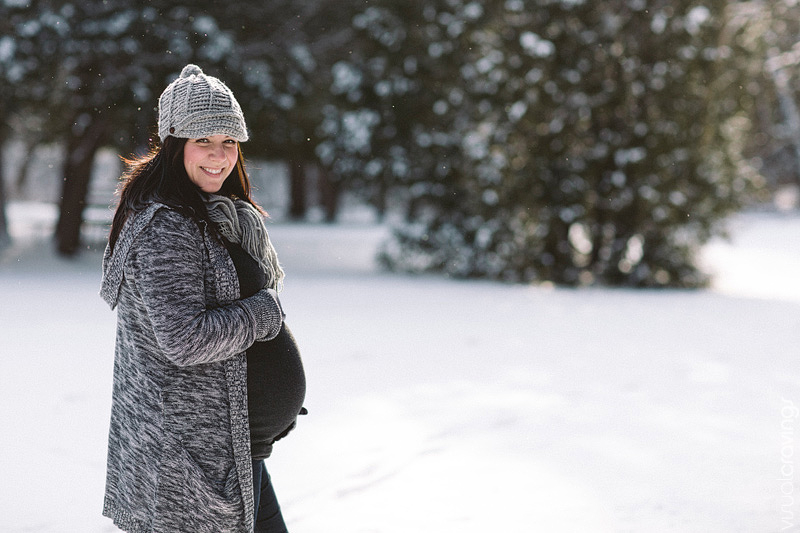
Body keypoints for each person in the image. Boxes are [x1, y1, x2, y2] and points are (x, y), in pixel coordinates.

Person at [100, 64, 306, 533]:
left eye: (229, 142)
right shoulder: (167, 225)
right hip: (191, 459)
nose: (219, 156)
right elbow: (185, 340)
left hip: (228, 445)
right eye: (203, 141)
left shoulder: (213, 213)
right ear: (174, 145)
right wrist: (265, 313)